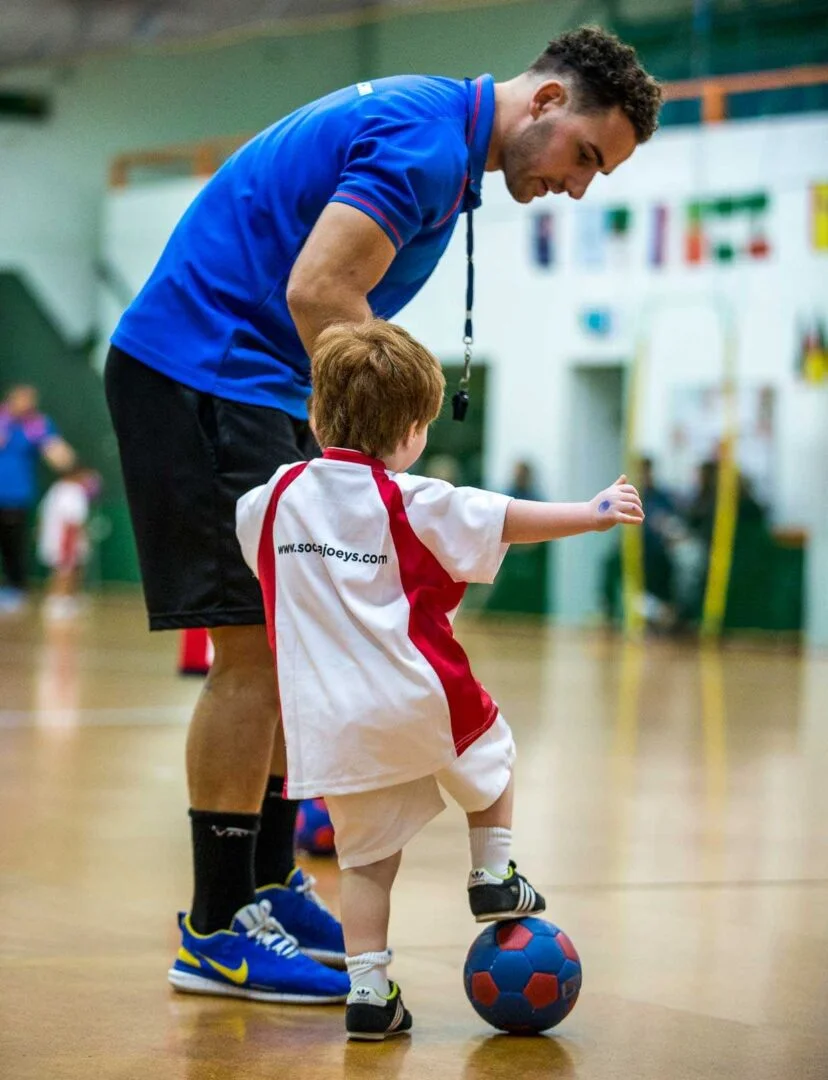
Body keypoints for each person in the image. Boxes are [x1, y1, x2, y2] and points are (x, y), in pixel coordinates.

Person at [105, 26, 662, 1003]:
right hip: (201, 374)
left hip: (254, 384)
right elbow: (320, 290)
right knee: (249, 651)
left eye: (597, 176)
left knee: (288, 646)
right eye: (585, 156)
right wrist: (373, 446)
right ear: (544, 103)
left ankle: (269, 887)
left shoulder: (439, 140)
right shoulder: (426, 144)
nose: (579, 186)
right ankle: (217, 925)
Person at [235, 319, 645, 1039]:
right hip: (422, 697)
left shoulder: (270, 500)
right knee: (495, 753)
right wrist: (591, 512)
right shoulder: (412, 499)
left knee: (364, 862)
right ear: (415, 431)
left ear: (314, 412)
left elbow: (253, 542)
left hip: (329, 722)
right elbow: (505, 519)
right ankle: (492, 875)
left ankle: (368, 993)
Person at [0, 385, 75, 614]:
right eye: (21, 398)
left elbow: (64, 460)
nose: (25, 403)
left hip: (15, 498)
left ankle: (17, 589)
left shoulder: (37, 426)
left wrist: (45, 438)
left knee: (13, 545)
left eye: (30, 400)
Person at [37, 467, 102, 620]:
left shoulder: (56, 489)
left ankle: (67, 598)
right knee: (65, 568)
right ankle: (58, 601)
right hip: (65, 538)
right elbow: (72, 521)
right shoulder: (72, 492)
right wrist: (70, 544)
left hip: (55, 537)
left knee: (69, 568)